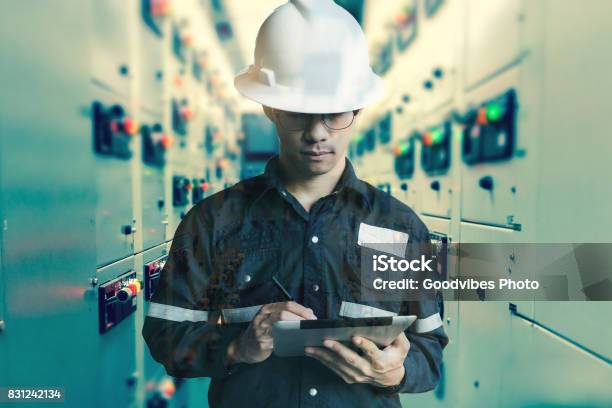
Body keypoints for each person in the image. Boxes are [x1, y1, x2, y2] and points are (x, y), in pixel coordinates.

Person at [142, 1, 448, 407]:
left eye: (334, 114)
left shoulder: (400, 227)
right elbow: (166, 336)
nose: (317, 133)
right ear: (269, 108)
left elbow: (430, 347)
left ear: (357, 109)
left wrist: (397, 371)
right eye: (299, 114)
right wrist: (238, 347)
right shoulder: (214, 222)